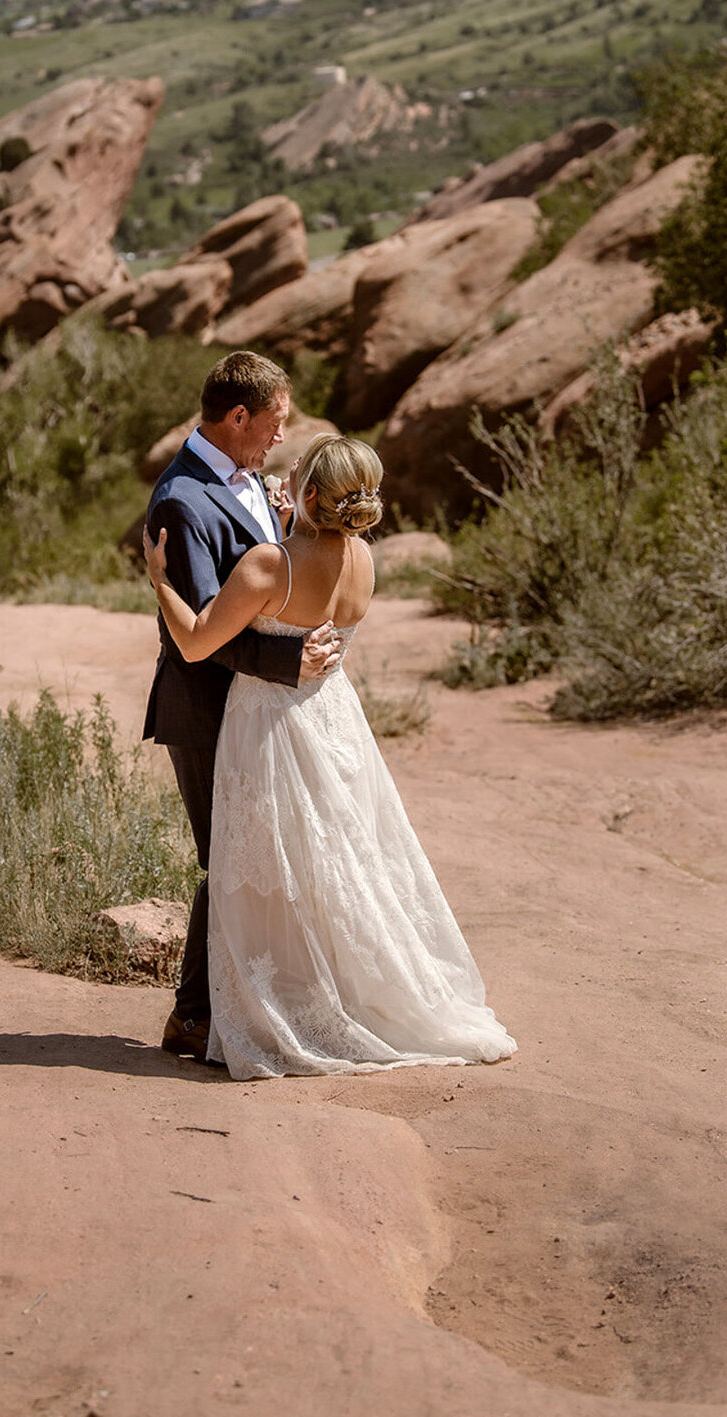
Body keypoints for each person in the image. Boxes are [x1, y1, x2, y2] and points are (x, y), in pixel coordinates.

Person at [143, 432, 517, 1080]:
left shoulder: (267, 565)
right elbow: (316, 592)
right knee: (335, 861)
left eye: (297, 476)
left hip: (269, 727)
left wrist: (159, 580)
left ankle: (268, 1009)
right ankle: (333, 994)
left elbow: (200, 641)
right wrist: (301, 521)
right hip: (334, 719)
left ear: (311, 493)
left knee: (267, 869)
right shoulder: (366, 560)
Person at [143, 352, 341, 1065]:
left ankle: (243, 1003)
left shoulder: (246, 478)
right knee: (219, 855)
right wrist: (287, 664)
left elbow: (253, 588)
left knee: (250, 854)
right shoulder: (181, 499)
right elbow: (195, 627)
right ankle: (192, 1016)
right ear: (237, 418)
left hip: (251, 708)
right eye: (273, 423)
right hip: (205, 708)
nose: (278, 438)